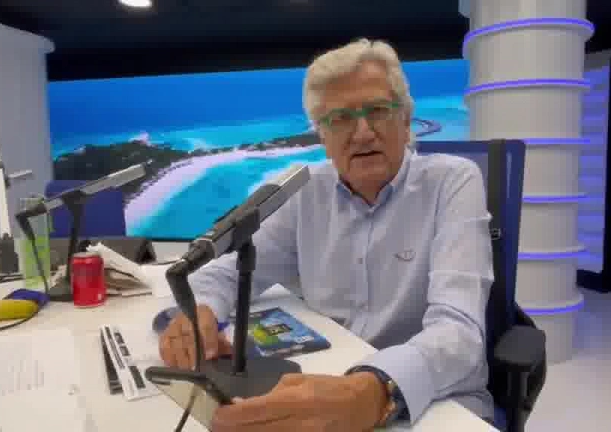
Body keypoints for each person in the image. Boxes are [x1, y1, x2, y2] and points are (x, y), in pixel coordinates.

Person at [159, 38, 495, 431]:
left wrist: (375, 389)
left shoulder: (452, 181)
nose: (363, 133)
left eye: (378, 111)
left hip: (432, 399)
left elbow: (459, 332)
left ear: (406, 121)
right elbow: (228, 272)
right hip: (327, 384)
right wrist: (201, 312)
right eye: (341, 119)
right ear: (323, 136)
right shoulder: (304, 193)